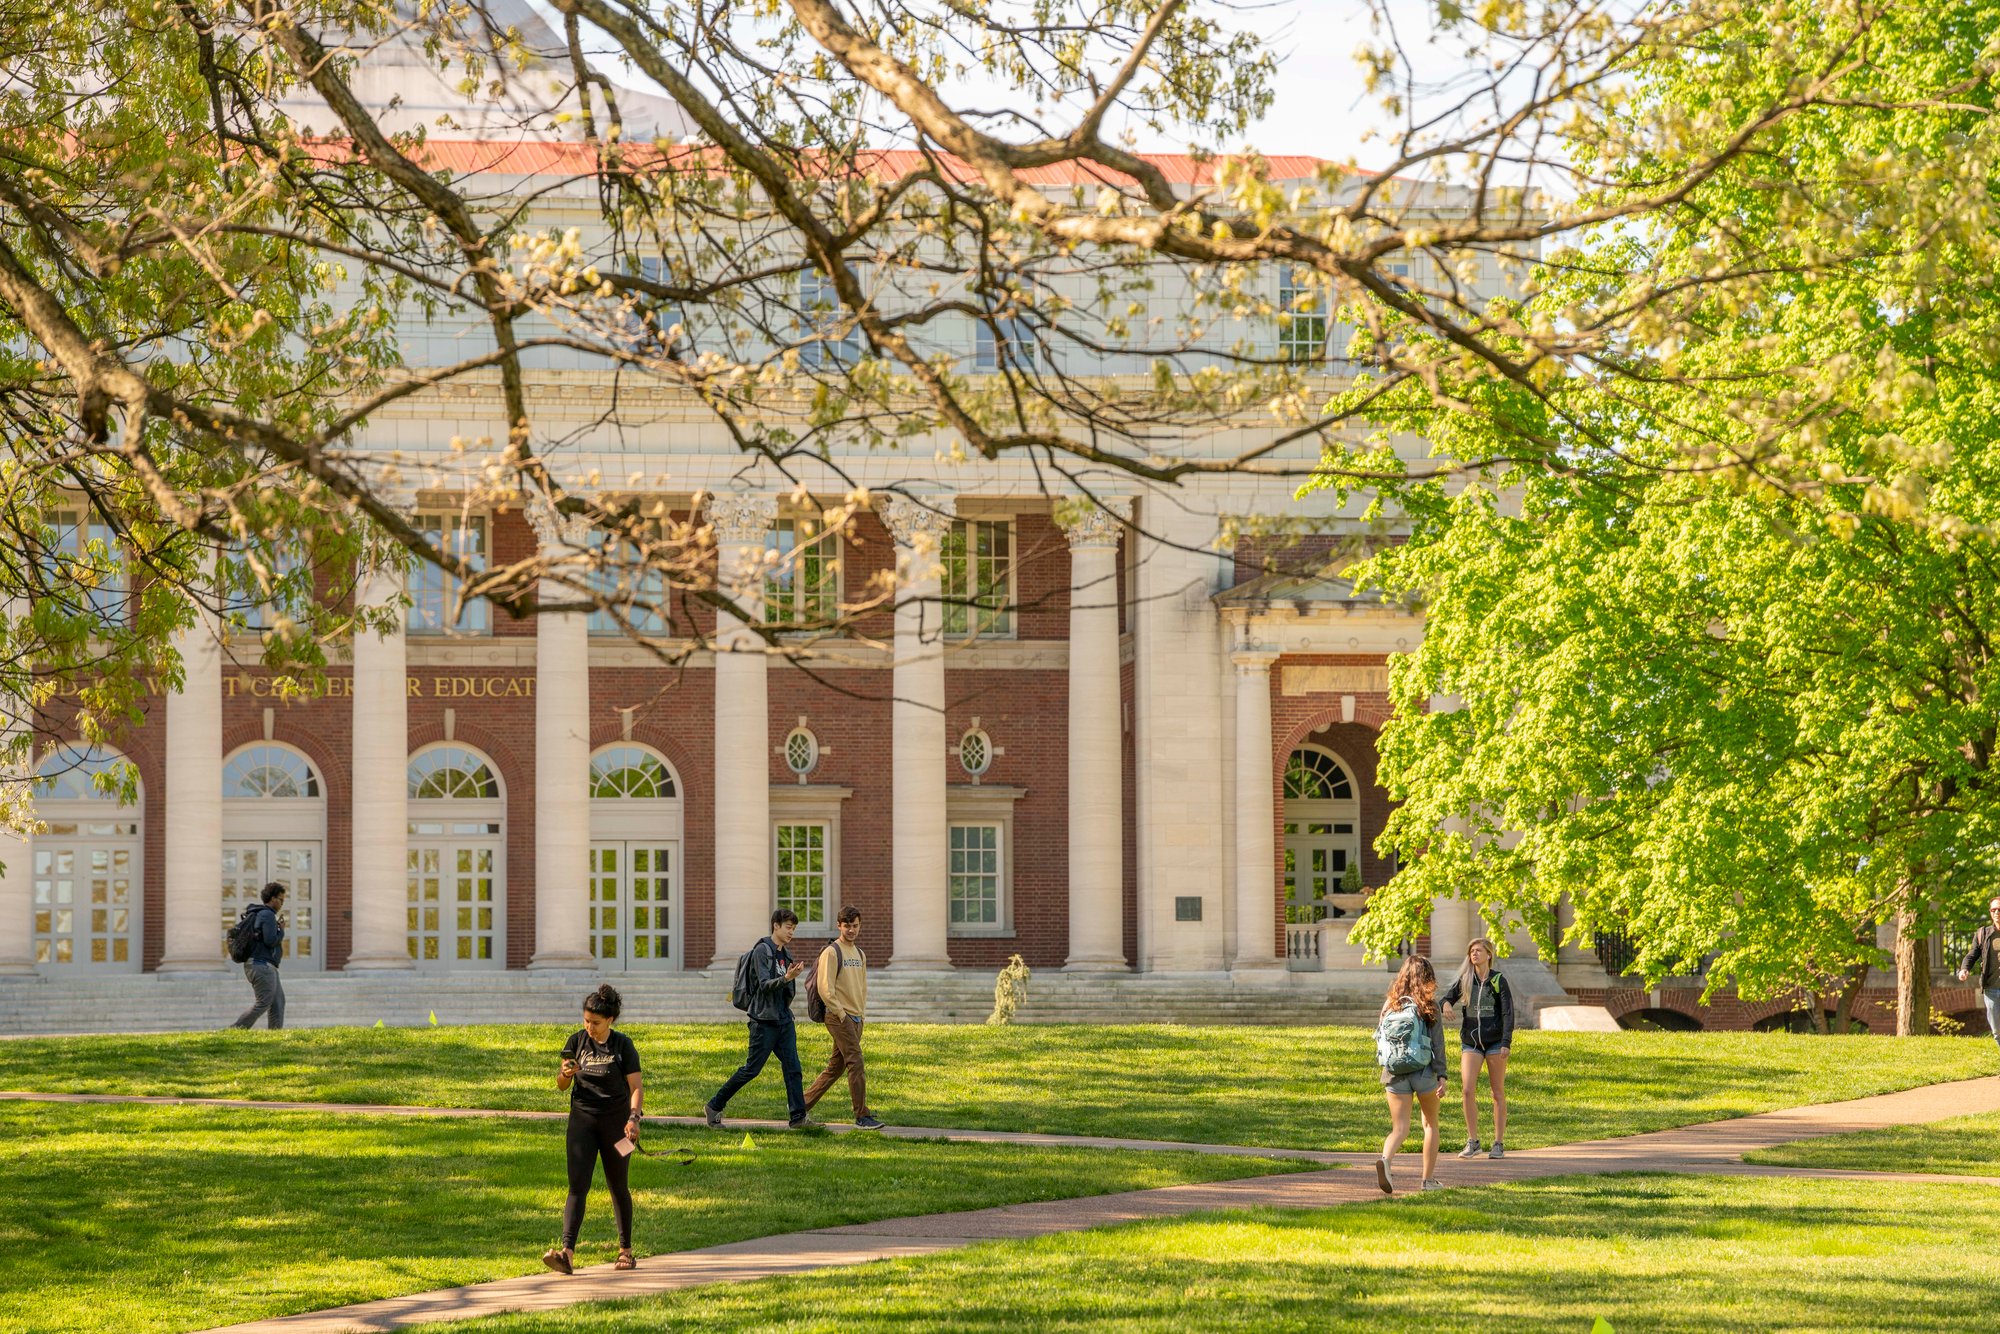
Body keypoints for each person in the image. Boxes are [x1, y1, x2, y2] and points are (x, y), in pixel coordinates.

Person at [543, 983, 643, 1275]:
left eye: (595, 1023)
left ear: (610, 1020)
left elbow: (635, 1087)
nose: (589, 1027)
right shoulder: (576, 1041)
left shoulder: (623, 1046)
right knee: (577, 1187)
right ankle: (567, 1254)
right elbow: (562, 1085)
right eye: (586, 1020)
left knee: (618, 1186)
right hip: (582, 1122)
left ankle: (625, 1251)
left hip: (617, 1125)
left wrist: (634, 1118)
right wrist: (564, 1074)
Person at [704, 909, 812, 1129]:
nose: (791, 932)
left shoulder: (786, 955)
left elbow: (785, 989)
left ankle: (799, 1118)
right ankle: (714, 1105)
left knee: (793, 1067)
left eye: (794, 928)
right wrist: (786, 977)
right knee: (751, 1069)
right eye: (788, 927)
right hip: (763, 1021)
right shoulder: (762, 951)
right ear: (776, 926)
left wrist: (789, 981)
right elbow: (764, 985)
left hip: (783, 1019)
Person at [802, 905, 884, 1129]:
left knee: (835, 1067)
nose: (851, 930)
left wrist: (861, 1015)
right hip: (838, 1016)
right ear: (839, 926)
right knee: (856, 1062)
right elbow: (825, 988)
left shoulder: (860, 954)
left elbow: (862, 987)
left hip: (857, 1018)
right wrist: (841, 1014)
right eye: (847, 926)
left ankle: (799, 1106)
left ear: (860, 926)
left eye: (855, 926)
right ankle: (862, 1116)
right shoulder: (831, 952)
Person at [1375, 954, 1448, 1195]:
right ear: (1427, 977)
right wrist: (1442, 1075)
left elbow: (1381, 1040)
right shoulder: (1428, 1004)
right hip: (1424, 1070)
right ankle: (1427, 1181)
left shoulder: (1390, 1004)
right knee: (1430, 1124)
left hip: (1394, 1072)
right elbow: (1438, 1043)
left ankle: (1385, 1160)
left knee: (1399, 1128)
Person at [1440, 937, 1514, 1159]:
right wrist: (1444, 1005)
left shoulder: (1498, 980)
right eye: (1472, 951)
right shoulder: (1465, 979)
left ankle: (1498, 1143)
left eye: (1479, 951)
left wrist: (1506, 1042)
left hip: (1494, 1042)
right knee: (1467, 1090)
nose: (1474, 954)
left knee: (1497, 1092)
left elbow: (1508, 1013)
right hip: (1471, 1042)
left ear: (1489, 955)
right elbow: (1446, 998)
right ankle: (1473, 1141)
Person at [228, 882, 288, 1030]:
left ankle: (275, 1036)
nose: (282, 903)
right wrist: (281, 931)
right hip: (261, 964)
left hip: (266, 965)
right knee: (264, 1002)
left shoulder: (261, 914)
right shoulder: (267, 914)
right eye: (280, 900)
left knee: (278, 1002)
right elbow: (270, 940)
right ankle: (235, 1029)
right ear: (272, 899)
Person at [1954, 896, 2000, 1050]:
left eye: (1999, 909)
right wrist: (1964, 968)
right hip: (1991, 990)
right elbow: (1972, 954)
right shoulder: (1983, 934)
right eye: (1993, 910)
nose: (1997, 912)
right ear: (1990, 913)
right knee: (1997, 1031)